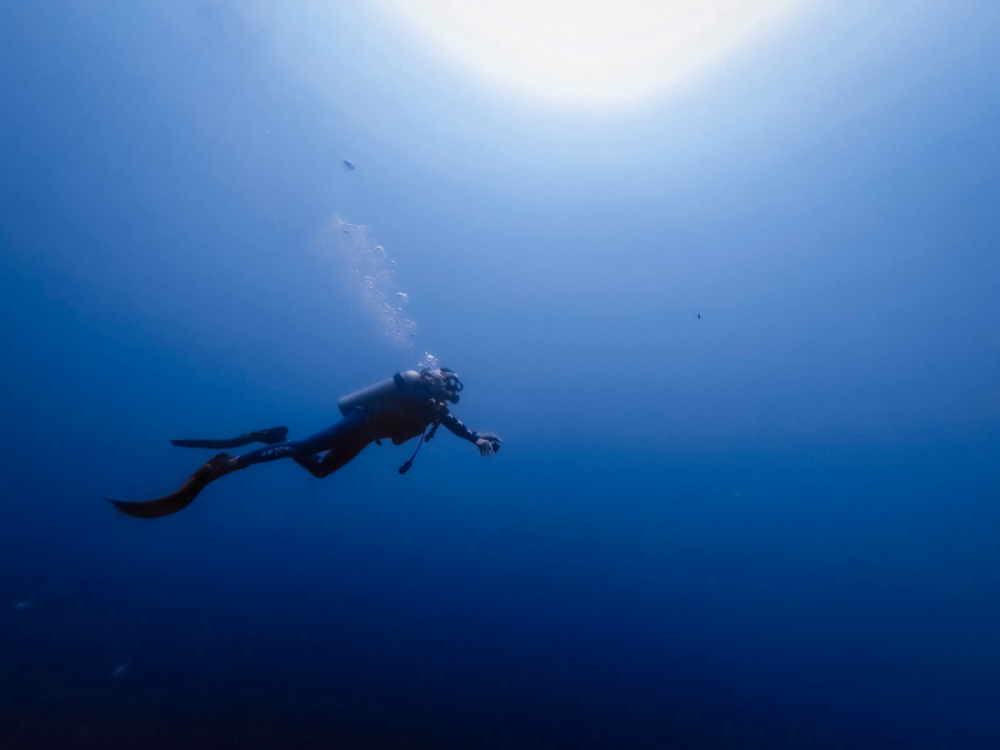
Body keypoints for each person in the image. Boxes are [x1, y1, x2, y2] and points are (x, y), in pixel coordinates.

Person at [108, 368, 501, 519]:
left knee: (318, 470)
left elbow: (453, 423)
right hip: (361, 421)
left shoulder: (436, 408)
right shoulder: (416, 386)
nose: (446, 395)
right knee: (301, 450)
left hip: (368, 437)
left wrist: (475, 437)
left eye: (449, 392)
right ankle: (224, 465)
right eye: (444, 386)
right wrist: (420, 381)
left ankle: (274, 437)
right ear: (435, 379)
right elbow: (405, 383)